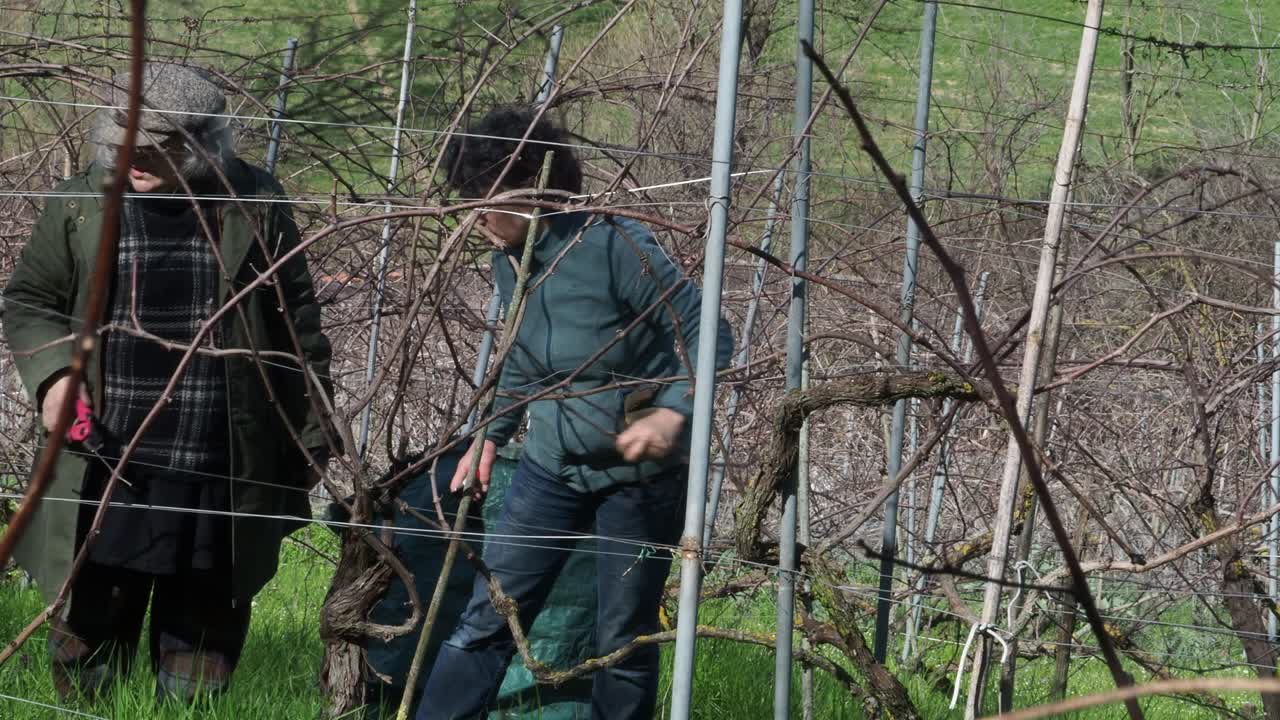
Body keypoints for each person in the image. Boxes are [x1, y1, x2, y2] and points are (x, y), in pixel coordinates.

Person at [2, 63, 333, 703]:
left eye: (161, 146)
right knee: (91, 619)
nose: (138, 158)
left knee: (203, 626)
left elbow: (300, 334)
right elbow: (30, 300)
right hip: (103, 459)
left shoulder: (255, 206)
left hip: (218, 463)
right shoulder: (79, 205)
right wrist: (52, 380)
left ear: (208, 144)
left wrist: (312, 437)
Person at [415, 107, 733, 720]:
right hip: (550, 469)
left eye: (485, 198)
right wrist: (491, 436)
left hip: (640, 482)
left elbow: (708, 332)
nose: (472, 214)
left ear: (535, 188)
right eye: (466, 199)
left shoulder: (617, 247)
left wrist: (672, 413)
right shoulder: (508, 259)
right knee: (490, 614)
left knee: (623, 638)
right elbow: (525, 359)